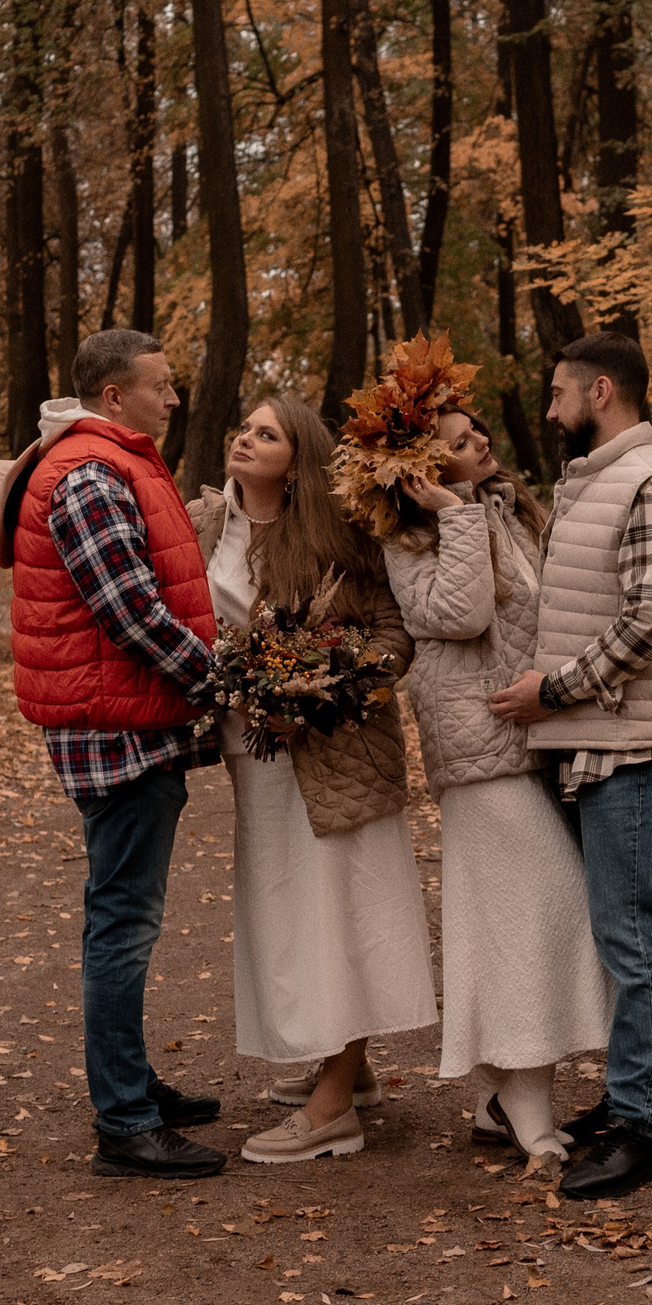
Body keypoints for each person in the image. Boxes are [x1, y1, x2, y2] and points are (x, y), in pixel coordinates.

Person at [2, 327, 229, 1180]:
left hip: (121, 722)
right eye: (161, 385)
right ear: (114, 396)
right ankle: (126, 1122)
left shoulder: (100, 458)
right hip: (118, 731)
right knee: (123, 923)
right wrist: (221, 680)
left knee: (125, 915)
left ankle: (131, 1085)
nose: (174, 398)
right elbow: (131, 612)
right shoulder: (93, 474)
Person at [490, 332, 652, 1201]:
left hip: (634, 750)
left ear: (602, 391)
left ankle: (646, 1127)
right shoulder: (594, 485)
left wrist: (557, 690)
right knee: (622, 934)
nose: (549, 411)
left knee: (634, 936)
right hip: (598, 746)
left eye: (558, 394)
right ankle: (648, 1098)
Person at [192, 397, 435, 1165]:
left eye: (267, 432)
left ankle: (334, 1105)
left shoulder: (336, 535)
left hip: (336, 751)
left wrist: (323, 693)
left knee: (344, 909)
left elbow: (395, 636)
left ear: (297, 458)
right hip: (252, 755)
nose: (246, 437)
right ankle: (347, 1068)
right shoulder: (208, 525)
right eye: (245, 426)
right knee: (288, 910)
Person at [387, 409, 612, 1166]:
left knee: (522, 918)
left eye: (479, 430)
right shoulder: (410, 537)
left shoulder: (510, 513)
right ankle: (524, 1099)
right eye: (458, 441)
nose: (481, 440)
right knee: (540, 911)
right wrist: (450, 515)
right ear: (420, 469)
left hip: (530, 741)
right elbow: (459, 612)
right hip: (477, 749)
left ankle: (495, 1097)